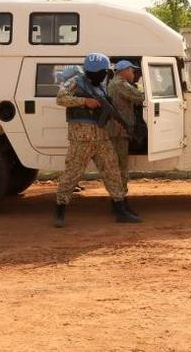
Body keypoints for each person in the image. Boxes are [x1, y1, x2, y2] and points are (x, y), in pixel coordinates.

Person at [53, 53, 140, 227]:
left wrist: (118, 122)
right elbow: (60, 98)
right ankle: (59, 212)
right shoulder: (76, 82)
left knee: (113, 173)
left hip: (102, 137)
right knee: (71, 175)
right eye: (97, 72)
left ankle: (120, 211)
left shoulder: (102, 87)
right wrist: (84, 101)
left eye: (101, 72)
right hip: (81, 139)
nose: (99, 75)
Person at [107, 59, 146, 214]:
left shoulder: (115, 83)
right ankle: (120, 203)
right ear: (123, 71)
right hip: (119, 132)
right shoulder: (121, 85)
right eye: (131, 70)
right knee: (120, 168)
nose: (133, 73)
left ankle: (119, 201)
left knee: (118, 167)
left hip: (117, 131)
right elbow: (140, 97)